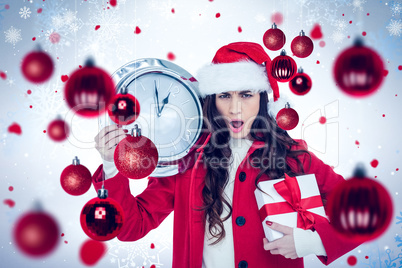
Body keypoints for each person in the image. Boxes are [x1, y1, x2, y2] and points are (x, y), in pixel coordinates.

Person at [93, 42, 360, 268]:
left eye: (246, 94)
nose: (234, 109)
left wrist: (311, 240)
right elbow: (131, 226)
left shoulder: (293, 156)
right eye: (224, 95)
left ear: (263, 98)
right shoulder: (187, 160)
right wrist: (111, 166)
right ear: (211, 100)